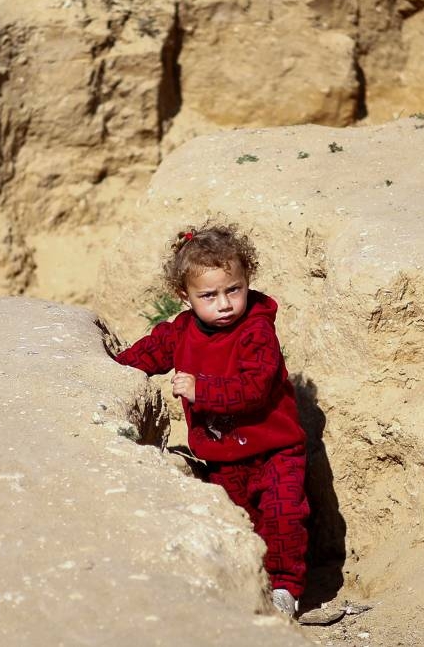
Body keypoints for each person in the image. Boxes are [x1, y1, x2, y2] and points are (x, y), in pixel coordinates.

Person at [114, 222, 309, 618]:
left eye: (233, 289)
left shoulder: (257, 330)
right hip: (222, 457)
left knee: (284, 515)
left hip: (276, 449)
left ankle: (287, 589)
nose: (224, 304)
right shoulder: (182, 332)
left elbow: (255, 387)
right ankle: (251, 588)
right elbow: (149, 353)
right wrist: (109, 368)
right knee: (242, 525)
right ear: (183, 297)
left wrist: (203, 391)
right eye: (209, 295)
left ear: (247, 281)